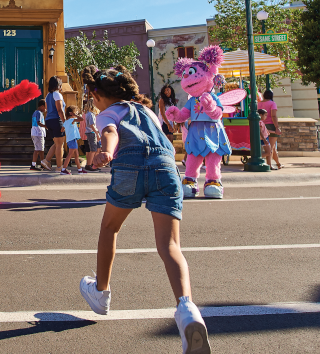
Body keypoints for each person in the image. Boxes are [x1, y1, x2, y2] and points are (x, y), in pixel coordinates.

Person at [78, 65, 210, 354]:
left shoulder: (108, 113)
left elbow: (111, 131)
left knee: (110, 228)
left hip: (130, 165)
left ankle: (101, 293)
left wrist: (108, 151)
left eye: (92, 97)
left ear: (98, 95)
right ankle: (187, 310)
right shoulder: (147, 111)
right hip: (165, 167)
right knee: (170, 244)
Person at [40, 76, 66, 171]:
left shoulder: (48, 96)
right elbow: (59, 110)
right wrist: (65, 122)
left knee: (56, 143)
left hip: (49, 120)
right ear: (58, 85)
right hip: (56, 120)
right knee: (60, 145)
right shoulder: (57, 94)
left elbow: (47, 109)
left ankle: (46, 160)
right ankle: (60, 167)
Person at [259, 90, 282, 169]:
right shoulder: (272, 103)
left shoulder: (259, 103)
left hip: (261, 125)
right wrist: (277, 127)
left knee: (272, 147)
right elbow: (273, 116)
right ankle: (269, 165)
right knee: (270, 147)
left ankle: (278, 164)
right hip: (270, 125)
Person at [61, 105, 86, 175]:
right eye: (76, 112)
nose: (77, 113)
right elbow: (82, 119)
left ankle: (80, 169)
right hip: (72, 140)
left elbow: (62, 129)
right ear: (71, 113)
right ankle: (63, 169)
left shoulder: (66, 121)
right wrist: (75, 115)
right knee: (70, 154)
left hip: (70, 140)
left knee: (76, 155)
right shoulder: (72, 120)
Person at [83, 99, 101, 171]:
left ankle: (93, 164)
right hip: (92, 133)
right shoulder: (90, 114)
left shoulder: (88, 113)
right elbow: (92, 125)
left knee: (97, 148)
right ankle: (89, 165)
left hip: (91, 132)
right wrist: (97, 133)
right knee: (93, 149)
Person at [30, 99, 47, 170]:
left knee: (40, 149)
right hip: (38, 133)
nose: (46, 109)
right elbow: (38, 122)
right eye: (45, 107)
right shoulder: (39, 113)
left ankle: (41, 163)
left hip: (36, 133)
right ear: (42, 106)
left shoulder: (36, 112)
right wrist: (46, 126)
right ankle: (35, 165)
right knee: (38, 149)